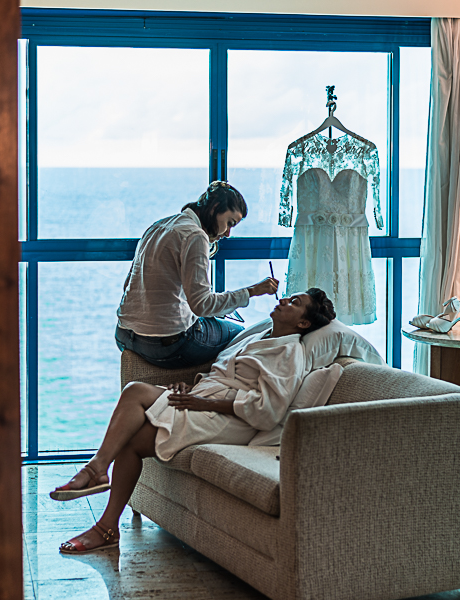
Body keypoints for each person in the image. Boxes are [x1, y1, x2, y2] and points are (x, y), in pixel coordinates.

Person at [51, 288, 336, 554]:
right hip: (206, 400)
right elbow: (224, 374)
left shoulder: (289, 353)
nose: (284, 301)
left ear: (303, 325)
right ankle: (99, 480)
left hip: (231, 420)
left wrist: (205, 402)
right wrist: (194, 388)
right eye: (288, 297)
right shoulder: (260, 336)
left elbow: (268, 410)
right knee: (134, 392)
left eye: (295, 303)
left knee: (133, 434)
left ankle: (102, 509)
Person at [116, 181, 279, 368]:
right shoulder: (195, 235)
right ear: (215, 208)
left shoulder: (158, 226)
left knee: (208, 320)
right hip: (164, 345)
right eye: (229, 223)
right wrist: (252, 291)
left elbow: (129, 284)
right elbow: (202, 306)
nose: (227, 233)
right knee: (243, 334)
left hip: (123, 334)